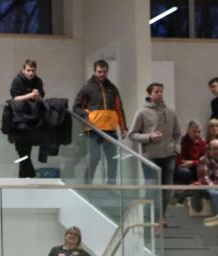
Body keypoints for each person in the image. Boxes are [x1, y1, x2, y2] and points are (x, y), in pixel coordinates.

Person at [129, 82, 180, 214]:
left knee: (167, 191)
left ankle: (161, 218)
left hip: (169, 156)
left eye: (161, 91)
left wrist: (175, 148)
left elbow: (177, 134)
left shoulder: (170, 113)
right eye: (156, 91)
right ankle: (149, 219)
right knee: (151, 191)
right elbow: (132, 134)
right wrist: (149, 137)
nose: (160, 94)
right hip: (150, 158)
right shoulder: (142, 112)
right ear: (150, 94)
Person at [74, 59, 126, 184]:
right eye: (99, 71)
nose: (102, 74)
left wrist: (123, 128)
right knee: (95, 157)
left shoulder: (112, 88)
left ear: (107, 72)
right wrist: (86, 115)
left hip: (110, 130)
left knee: (113, 159)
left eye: (104, 72)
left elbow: (119, 109)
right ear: (94, 71)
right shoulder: (87, 88)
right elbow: (76, 107)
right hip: (93, 130)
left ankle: (111, 185)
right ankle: (88, 183)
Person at [9, 59, 44, 178]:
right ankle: (31, 175)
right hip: (18, 121)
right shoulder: (17, 80)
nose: (30, 73)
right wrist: (30, 95)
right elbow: (14, 98)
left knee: (26, 152)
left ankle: (26, 178)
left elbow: (41, 99)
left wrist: (37, 95)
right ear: (23, 69)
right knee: (22, 151)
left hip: (32, 121)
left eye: (33, 71)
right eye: (28, 70)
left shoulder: (38, 81)